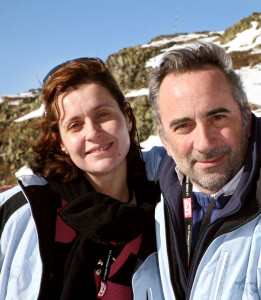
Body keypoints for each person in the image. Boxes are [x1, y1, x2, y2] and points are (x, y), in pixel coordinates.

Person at [132, 42, 261, 299]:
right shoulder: (159, 192)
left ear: (245, 117)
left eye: (218, 117)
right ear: (164, 139)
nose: (204, 143)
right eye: (183, 125)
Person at [0, 57, 162, 299]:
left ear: (127, 117)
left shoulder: (168, 203)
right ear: (60, 142)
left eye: (103, 115)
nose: (93, 133)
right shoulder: (27, 213)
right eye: (75, 125)